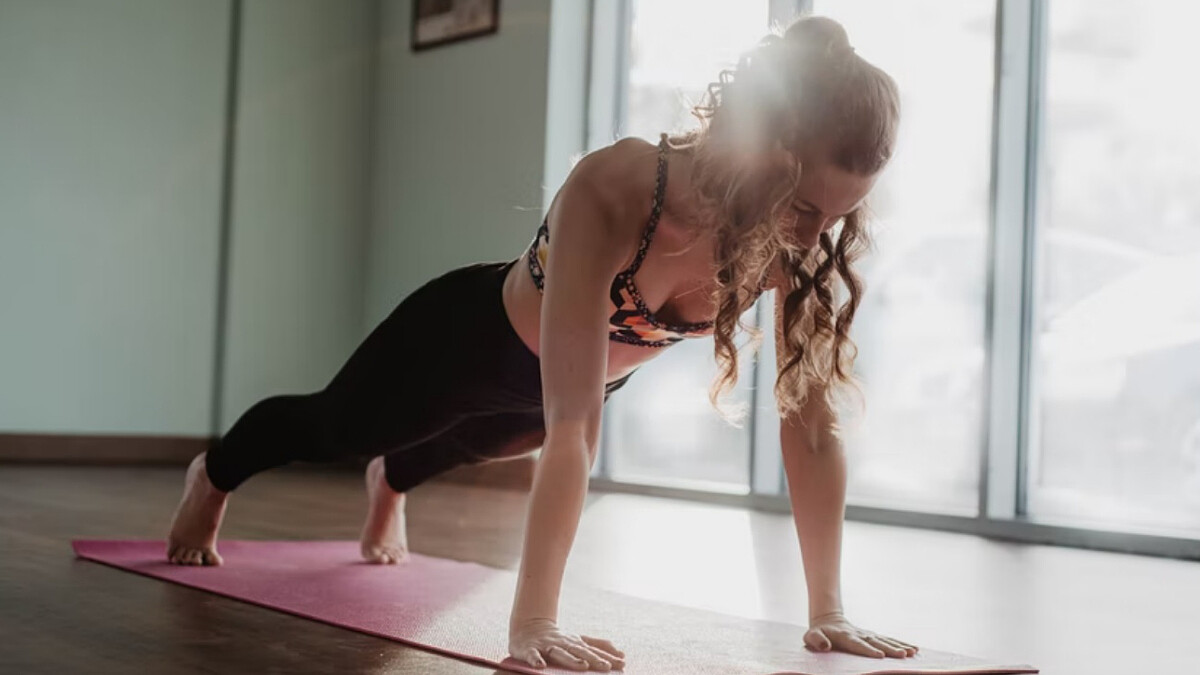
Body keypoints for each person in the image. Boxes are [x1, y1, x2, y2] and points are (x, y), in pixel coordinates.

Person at [166, 14, 920, 671]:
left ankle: (390, 483)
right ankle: (215, 474)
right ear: (768, 148)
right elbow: (575, 429)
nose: (813, 235)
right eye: (807, 205)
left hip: (550, 393)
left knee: (473, 444)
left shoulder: (789, 243)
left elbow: (812, 427)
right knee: (339, 426)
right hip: (461, 341)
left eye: (837, 217)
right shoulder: (618, 186)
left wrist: (829, 611)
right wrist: (533, 621)